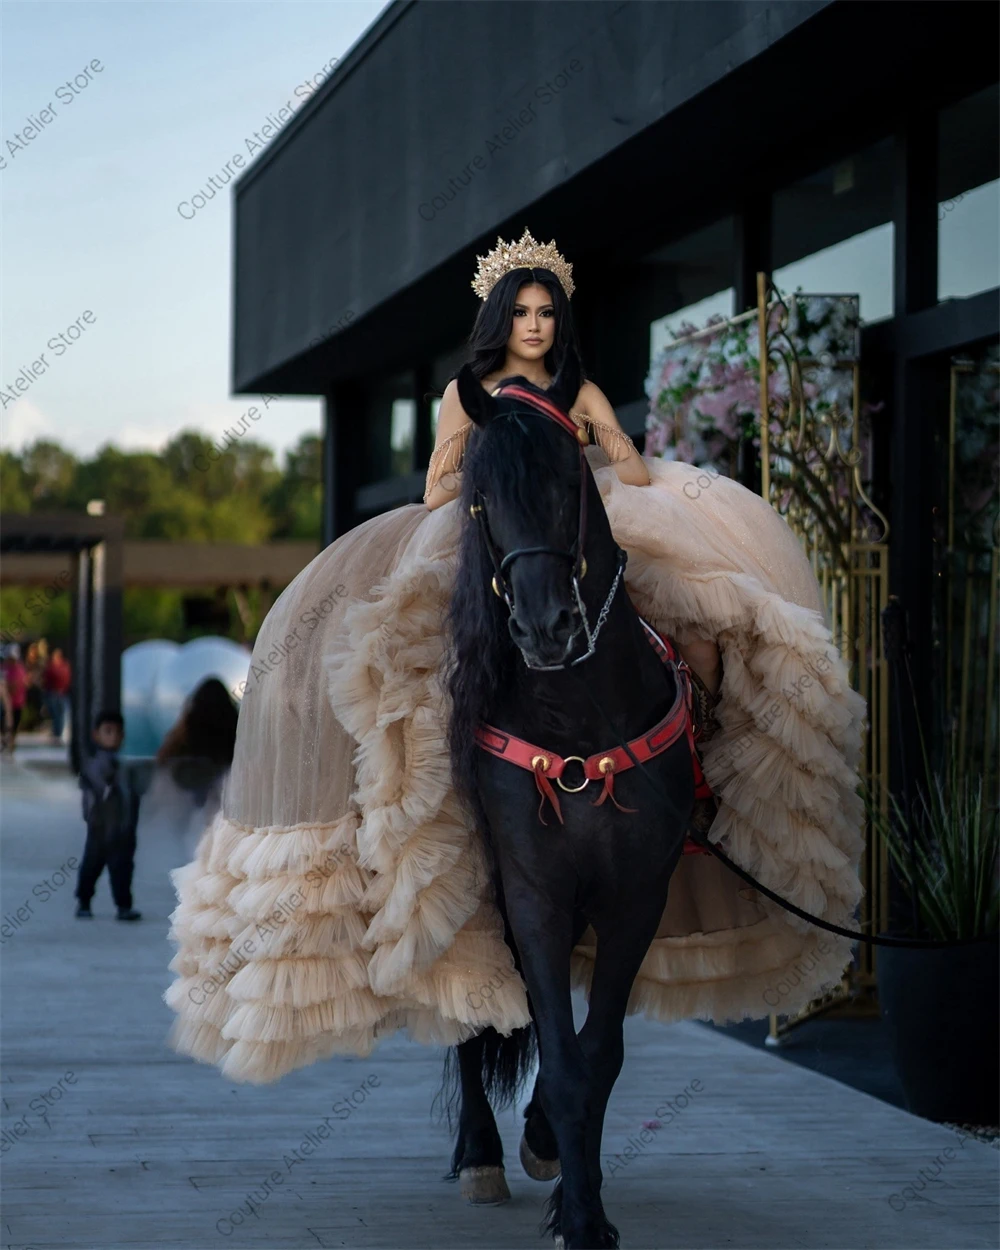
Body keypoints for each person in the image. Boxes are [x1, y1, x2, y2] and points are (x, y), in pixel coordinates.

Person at [166, 230, 865, 1086]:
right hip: (481, 526)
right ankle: (412, 801)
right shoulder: (469, 394)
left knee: (686, 618)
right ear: (500, 319)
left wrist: (600, 454)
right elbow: (434, 488)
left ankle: (698, 770)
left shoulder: (581, 388)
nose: (535, 326)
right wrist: (498, 469)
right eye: (523, 312)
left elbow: (632, 471)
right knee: (410, 650)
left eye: (547, 313)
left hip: (577, 517)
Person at [75, 710, 142, 921]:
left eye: (117, 732)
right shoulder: (95, 765)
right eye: (108, 731)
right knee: (91, 865)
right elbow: (93, 794)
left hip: (123, 829)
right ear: (97, 735)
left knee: (122, 869)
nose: (113, 737)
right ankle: (84, 901)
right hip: (100, 827)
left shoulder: (126, 765)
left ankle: (123, 905)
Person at [42, 647, 72, 744]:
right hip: (53, 693)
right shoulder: (50, 667)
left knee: (62, 714)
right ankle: (57, 733)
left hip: (62, 693)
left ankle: (59, 733)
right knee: (56, 714)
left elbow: (68, 677)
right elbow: (46, 681)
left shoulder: (64, 665)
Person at [1, 645, 28, 753]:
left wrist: (6, 687)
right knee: (5, 724)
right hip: (5, 703)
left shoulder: (19, 669)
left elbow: (16, 685)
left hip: (16, 702)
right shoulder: (4, 668)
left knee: (13, 725)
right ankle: (6, 742)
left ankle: (11, 744)